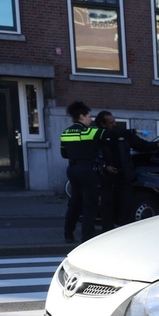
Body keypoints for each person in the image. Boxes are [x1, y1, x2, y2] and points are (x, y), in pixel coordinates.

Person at [95, 111, 159, 231]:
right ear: (102, 124)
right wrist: (105, 166)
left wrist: (157, 145)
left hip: (124, 175)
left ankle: (125, 231)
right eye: (110, 122)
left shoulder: (122, 133)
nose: (114, 124)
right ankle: (107, 232)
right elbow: (93, 155)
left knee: (126, 206)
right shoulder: (98, 136)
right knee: (107, 207)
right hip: (107, 178)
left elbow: (141, 145)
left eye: (114, 121)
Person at [61, 101, 105, 243]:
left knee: (75, 202)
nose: (91, 120)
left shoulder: (66, 132)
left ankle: (68, 233)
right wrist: (134, 132)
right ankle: (87, 237)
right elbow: (111, 133)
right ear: (81, 116)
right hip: (87, 170)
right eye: (89, 117)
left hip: (73, 169)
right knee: (89, 205)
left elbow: (64, 154)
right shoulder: (88, 131)